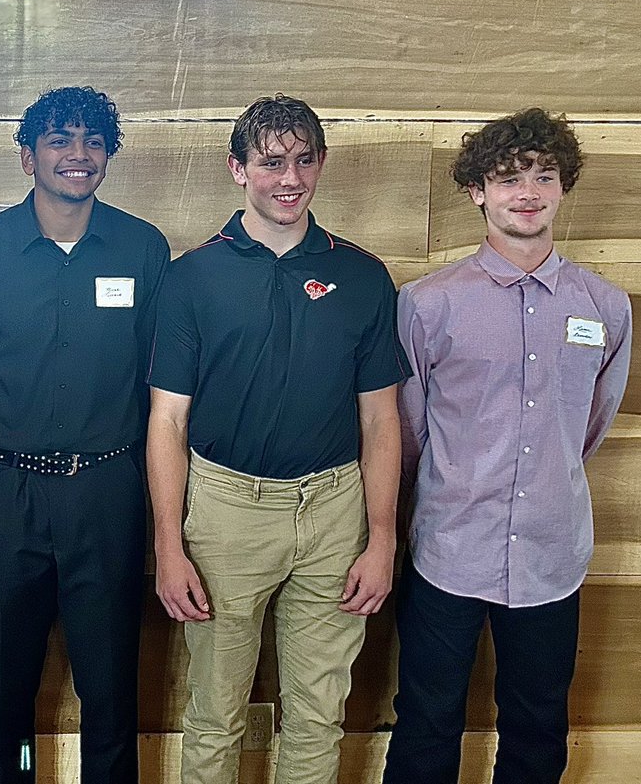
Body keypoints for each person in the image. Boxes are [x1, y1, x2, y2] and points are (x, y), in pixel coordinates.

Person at [147, 93, 411, 784]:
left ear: (321, 163)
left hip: (334, 509)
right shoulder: (191, 276)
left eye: (302, 160)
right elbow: (167, 420)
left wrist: (381, 536)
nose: (288, 178)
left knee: (319, 715)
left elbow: (383, 418)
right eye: (270, 162)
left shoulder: (361, 275)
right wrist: (169, 545)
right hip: (226, 508)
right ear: (238, 169)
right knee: (214, 714)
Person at [382, 108, 632, 784]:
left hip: (553, 555)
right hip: (448, 550)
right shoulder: (428, 304)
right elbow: (408, 431)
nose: (528, 191)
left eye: (543, 175)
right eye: (509, 176)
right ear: (478, 191)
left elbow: (590, 422)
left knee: (538, 723)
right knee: (427, 720)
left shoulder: (604, 307)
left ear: (562, 186)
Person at [0, 86, 170, 783]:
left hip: (107, 488)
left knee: (109, 685)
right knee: (9, 687)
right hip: (7, 491)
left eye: (93, 142)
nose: (78, 155)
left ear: (108, 156)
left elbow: (153, 378)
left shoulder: (142, 246)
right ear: (27, 157)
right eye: (59, 140)